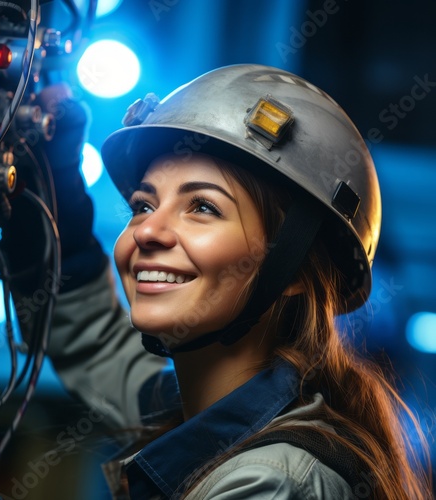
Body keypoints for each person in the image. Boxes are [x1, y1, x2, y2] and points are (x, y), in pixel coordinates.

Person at [44, 64, 432, 498]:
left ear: (295, 269)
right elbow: (94, 343)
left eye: (203, 208)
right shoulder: (210, 411)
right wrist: (50, 180)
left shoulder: (275, 483)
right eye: (143, 205)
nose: (147, 231)